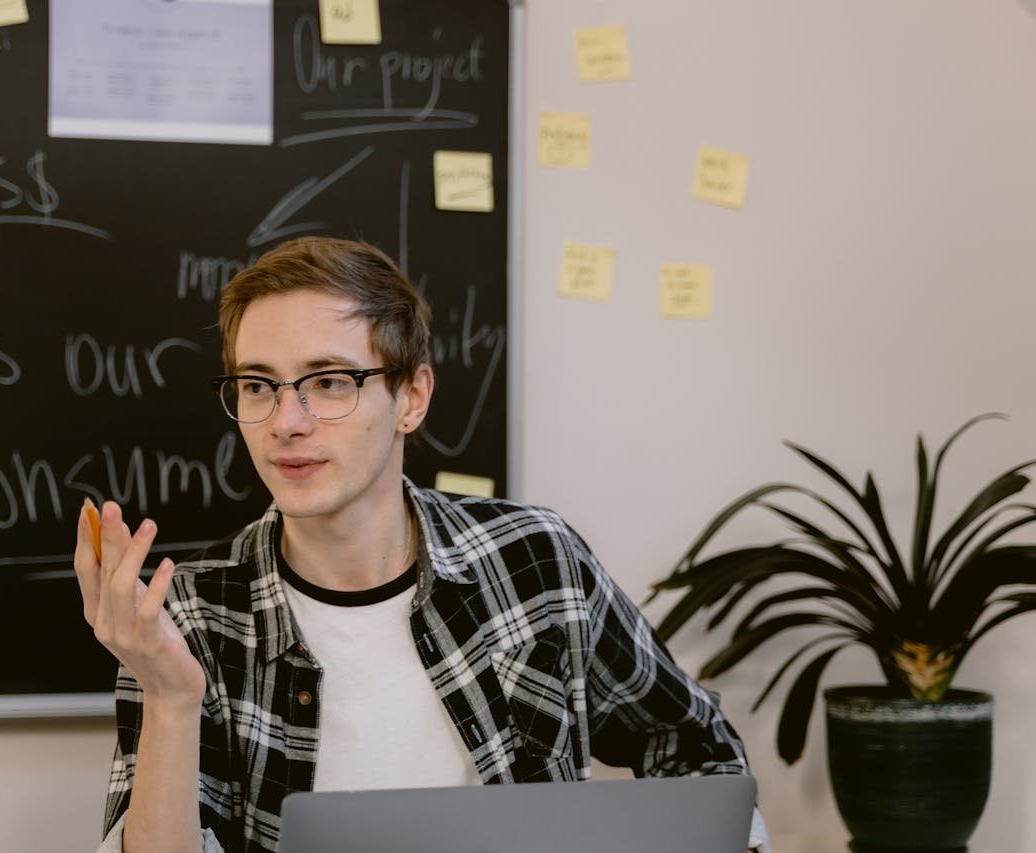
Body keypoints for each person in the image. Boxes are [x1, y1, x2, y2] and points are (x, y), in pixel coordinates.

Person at [74, 236, 770, 853]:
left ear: (412, 397)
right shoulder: (184, 615)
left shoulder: (535, 561)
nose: (287, 421)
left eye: (329, 381)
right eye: (259, 385)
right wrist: (168, 695)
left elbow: (697, 748)